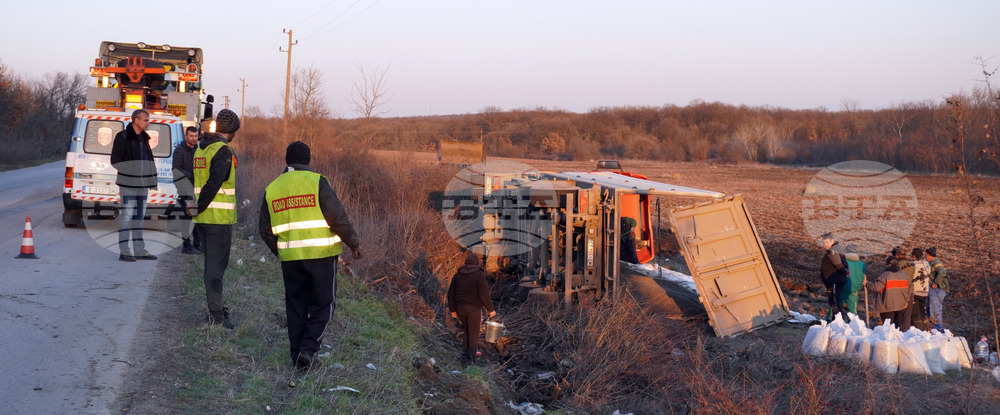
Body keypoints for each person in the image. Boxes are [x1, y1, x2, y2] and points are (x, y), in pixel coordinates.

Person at [260, 141, 363, 370]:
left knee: (296, 306)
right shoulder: (317, 182)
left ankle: (297, 356)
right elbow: (337, 217)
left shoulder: (273, 187)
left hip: (290, 259)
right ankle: (308, 349)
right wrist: (354, 243)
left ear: (287, 160)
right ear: (308, 161)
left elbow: (264, 230)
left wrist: (281, 251)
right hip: (321, 255)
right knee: (324, 303)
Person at [188, 109, 241, 329]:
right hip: (217, 219)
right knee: (216, 270)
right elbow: (214, 183)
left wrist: (195, 208)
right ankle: (216, 315)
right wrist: (198, 206)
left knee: (211, 266)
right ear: (233, 130)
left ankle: (216, 309)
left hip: (203, 219)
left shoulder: (201, 148)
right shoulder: (222, 151)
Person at [110, 109, 158, 262]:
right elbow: (115, 161)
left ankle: (139, 250)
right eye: (145, 120)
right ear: (136, 120)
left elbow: (148, 160)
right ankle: (124, 251)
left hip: (142, 185)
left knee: (139, 218)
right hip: (128, 184)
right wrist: (132, 172)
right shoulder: (123, 136)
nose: (148, 123)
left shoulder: (144, 138)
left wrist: (151, 179)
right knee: (126, 217)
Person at [448, 252, 496, 365]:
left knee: (467, 330)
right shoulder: (479, 275)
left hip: (460, 308)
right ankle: (472, 360)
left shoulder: (457, 275)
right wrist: (491, 310)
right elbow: (484, 295)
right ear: (476, 263)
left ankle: (465, 355)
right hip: (474, 309)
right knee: (474, 332)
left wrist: (453, 310)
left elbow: (450, 294)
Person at [169, 126, 201, 254]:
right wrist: (191, 176)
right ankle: (186, 246)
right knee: (187, 218)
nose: (194, 138)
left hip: (196, 188)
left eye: (195, 136)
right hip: (184, 187)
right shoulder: (179, 150)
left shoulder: (198, 150)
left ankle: (197, 244)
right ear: (186, 136)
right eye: (191, 136)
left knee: (196, 217)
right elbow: (176, 170)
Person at [866, 256, 911, 328]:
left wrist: (867, 283)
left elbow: (876, 287)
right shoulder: (904, 274)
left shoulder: (885, 275)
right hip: (901, 306)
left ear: (888, 265)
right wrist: (906, 301)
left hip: (887, 307)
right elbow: (909, 289)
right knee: (897, 327)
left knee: (888, 328)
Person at [819, 233, 850, 322]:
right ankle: (836, 321)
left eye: (827, 242)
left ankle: (839, 321)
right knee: (834, 301)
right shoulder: (837, 249)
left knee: (835, 301)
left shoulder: (833, 251)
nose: (825, 244)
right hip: (834, 280)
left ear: (832, 241)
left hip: (835, 280)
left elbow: (838, 264)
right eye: (824, 242)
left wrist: (844, 272)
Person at [925, 247, 949, 331]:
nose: (925, 256)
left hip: (938, 289)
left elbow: (942, 272)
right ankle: (932, 327)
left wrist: (936, 282)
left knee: (935, 308)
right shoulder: (930, 263)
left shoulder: (936, 263)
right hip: (933, 289)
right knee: (930, 308)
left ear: (930, 255)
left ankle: (937, 328)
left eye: (926, 255)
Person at [908, 248, 931, 330]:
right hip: (925, 292)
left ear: (914, 256)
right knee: (923, 313)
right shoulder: (927, 264)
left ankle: (917, 330)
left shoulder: (912, 265)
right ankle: (925, 329)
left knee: (915, 314)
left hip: (915, 292)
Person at [842, 244, 866, 315]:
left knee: (837, 309)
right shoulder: (862, 264)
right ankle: (853, 321)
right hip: (854, 289)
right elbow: (863, 276)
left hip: (842, 288)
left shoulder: (842, 262)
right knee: (853, 312)